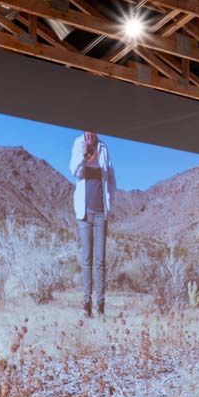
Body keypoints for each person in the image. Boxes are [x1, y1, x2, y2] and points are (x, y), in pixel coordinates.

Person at [69, 131, 116, 318]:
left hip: (100, 213)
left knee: (100, 261)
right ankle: (86, 303)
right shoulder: (78, 143)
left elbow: (111, 179)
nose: (89, 132)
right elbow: (74, 170)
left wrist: (109, 204)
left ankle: (101, 304)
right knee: (86, 259)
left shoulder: (103, 148)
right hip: (84, 211)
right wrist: (83, 153)